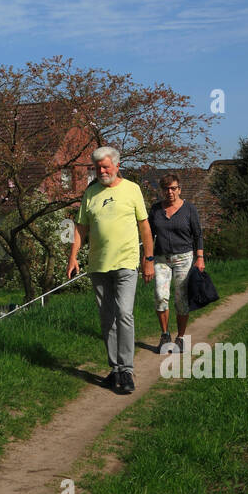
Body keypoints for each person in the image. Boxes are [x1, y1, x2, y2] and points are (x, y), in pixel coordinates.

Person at [67, 146, 155, 394]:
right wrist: (73, 257)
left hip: (127, 263)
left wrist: (149, 259)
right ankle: (114, 369)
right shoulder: (91, 193)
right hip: (98, 265)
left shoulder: (132, 190)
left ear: (117, 166)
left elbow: (145, 227)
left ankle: (126, 370)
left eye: (105, 167)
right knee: (107, 319)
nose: (102, 171)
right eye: (97, 168)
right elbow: (80, 227)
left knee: (124, 314)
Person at [149, 172, 204, 354]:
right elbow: (148, 235)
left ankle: (180, 338)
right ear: (162, 191)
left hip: (184, 258)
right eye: (166, 189)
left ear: (179, 189)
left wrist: (200, 257)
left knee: (181, 299)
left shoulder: (189, 209)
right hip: (161, 258)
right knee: (160, 295)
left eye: (173, 188)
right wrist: (146, 258)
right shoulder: (156, 210)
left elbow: (198, 235)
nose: (170, 192)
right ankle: (165, 335)